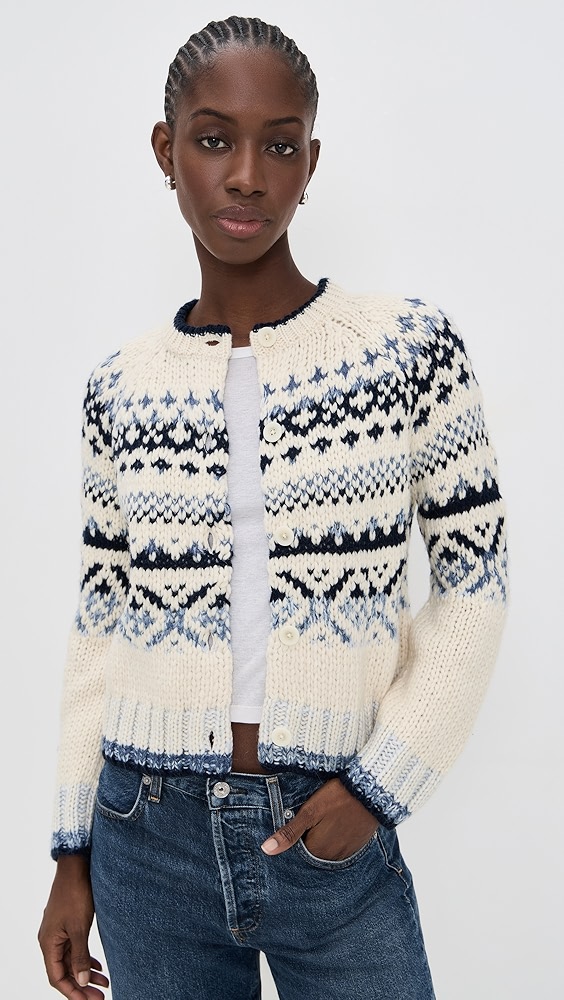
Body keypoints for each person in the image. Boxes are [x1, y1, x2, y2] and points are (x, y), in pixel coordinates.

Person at [38, 14, 508, 1000]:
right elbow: (99, 624)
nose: (247, 175)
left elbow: (476, 580)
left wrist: (380, 787)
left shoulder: (407, 350)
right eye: (214, 139)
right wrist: (71, 851)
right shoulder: (119, 386)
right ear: (166, 152)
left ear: (310, 162)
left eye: (280, 145)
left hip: (331, 830)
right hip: (143, 834)